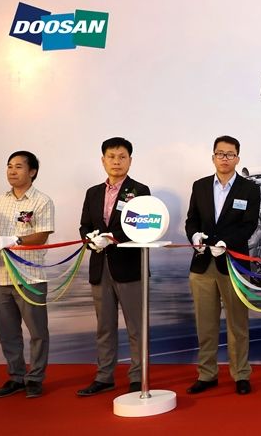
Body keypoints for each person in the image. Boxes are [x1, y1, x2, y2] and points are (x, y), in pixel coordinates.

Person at [184, 135, 261, 395]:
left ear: (238, 158)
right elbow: (192, 220)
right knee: (205, 324)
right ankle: (207, 374)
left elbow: (249, 225)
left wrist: (227, 242)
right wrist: (194, 236)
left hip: (234, 264)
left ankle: (241, 374)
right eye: (220, 153)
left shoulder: (249, 189)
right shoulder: (200, 186)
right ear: (213, 157)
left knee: (237, 324)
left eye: (230, 154)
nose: (224, 158)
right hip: (202, 264)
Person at [76, 137, 151, 397]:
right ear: (103, 160)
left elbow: (142, 224)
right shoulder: (93, 192)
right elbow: (84, 225)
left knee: (136, 327)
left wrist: (111, 237)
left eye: (122, 157)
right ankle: (104, 376)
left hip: (130, 267)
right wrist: (90, 239)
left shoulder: (140, 190)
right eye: (111, 156)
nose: (116, 162)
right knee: (104, 327)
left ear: (130, 160)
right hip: (100, 266)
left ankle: (138, 377)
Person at [0, 151, 55, 398]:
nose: (12, 171)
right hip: (1, 277)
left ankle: (35, 378)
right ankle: (15, 376)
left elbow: (42, 235)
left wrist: (15, 240)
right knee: (7, 332)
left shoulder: (42, 201)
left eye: (18, 166)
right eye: (9, 166)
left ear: (32, 172)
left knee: (37, 332)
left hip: (30, 277)